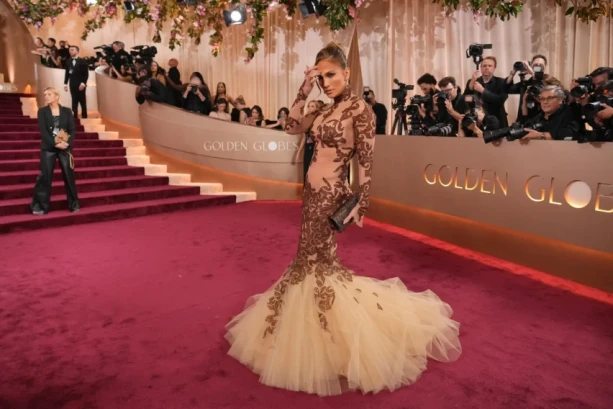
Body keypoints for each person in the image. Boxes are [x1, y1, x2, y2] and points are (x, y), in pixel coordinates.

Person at [225, 42, 461, 396]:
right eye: (320, 77)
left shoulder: (360, 109)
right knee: (311, 262)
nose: (326, 82)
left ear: (346, 73)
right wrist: (305, 89)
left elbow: (366, 158)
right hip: (311, 195)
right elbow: (291, 126)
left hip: (331, 195)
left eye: (331, 75)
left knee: (315, 264)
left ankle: (325, 338)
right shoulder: (321, 107)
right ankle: (311, 329)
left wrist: (361, 203)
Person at [31, 87, 79, 215]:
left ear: (57, 96)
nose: (46, 96)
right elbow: (44, 132)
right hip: (49, 148)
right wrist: (55, 144)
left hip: (65, 147)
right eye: (45, 94)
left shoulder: (67, 111)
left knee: (69, 176)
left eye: (49, 94)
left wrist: (67, 143)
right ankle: (40, 206)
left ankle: (74, 204)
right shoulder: (42, 111)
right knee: (45, 177)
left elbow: (72, 130)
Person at [63, 45, 89, 119]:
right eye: (70, 50)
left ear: (77, 51)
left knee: (82, 100)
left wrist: (83, 83)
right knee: (74, 100)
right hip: (72, 84)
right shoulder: (68, 61)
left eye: (72, 50)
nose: (70, 51)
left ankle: (84, 115)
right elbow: (67, 73)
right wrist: (65, 83)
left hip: (81, 84)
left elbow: (86, 74)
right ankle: (74, 117)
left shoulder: (82, 61)